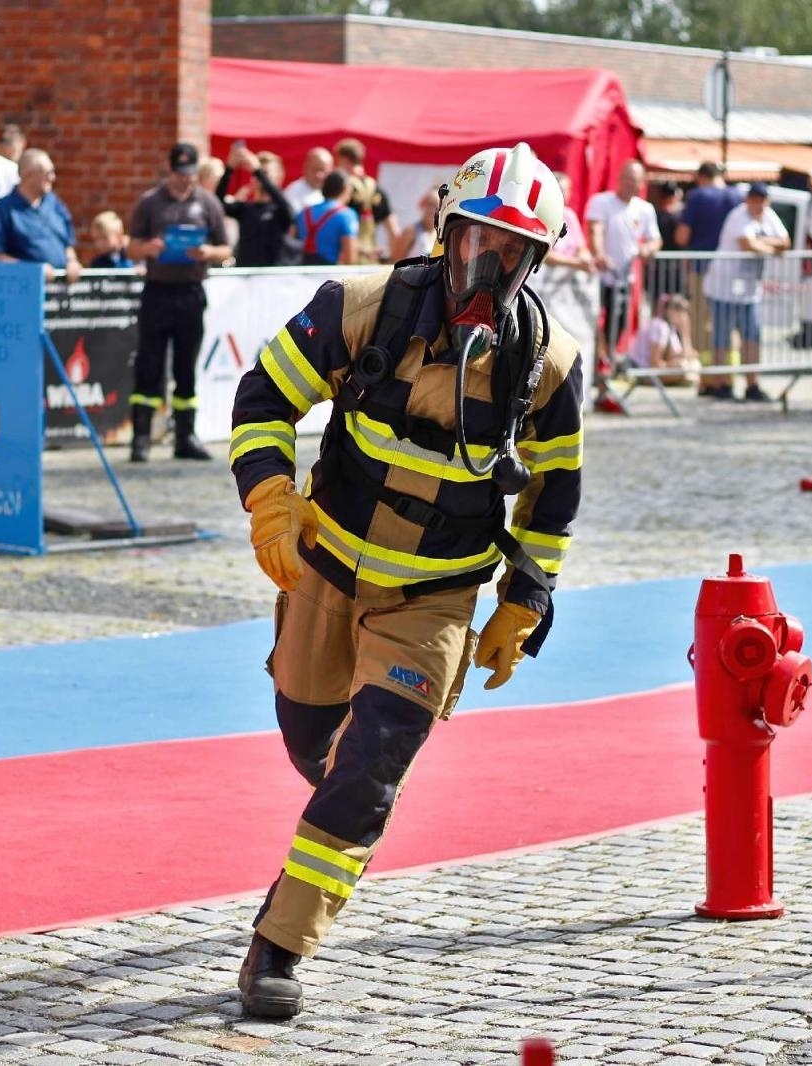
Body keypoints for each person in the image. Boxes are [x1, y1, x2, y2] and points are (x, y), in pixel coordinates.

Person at [227, 141, 582, 1020]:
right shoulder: (360, 306)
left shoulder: (549, 366)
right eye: (476, 243)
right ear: (445, 231)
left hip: (434, 600)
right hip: (328, 573)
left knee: (373, 766)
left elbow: (555, 493)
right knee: (315, 741)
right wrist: (271, 499)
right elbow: (263, 398)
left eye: (511, 255)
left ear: (534, 262)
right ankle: (340, 805)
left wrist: (524, 601)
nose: (487, 268)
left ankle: (278, 947)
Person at [126, 142, 232, 462]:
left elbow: (225, 248)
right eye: (179, 174)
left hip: (191, 291)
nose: (185, 180)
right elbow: (131, 248)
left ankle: (185, 436)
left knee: (186, 366)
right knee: (149, 365)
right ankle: (141, 437)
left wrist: (207, 254)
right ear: (169, 170)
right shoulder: (150, 203)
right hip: (158, 291)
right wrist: (149, 249)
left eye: (189, 174)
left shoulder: (208, 203)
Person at [703, 182, 790, 403]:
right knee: (722, 337)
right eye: (754, 199)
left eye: (762, 200)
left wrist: (763, 244)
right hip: (725, 287)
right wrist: (772, 248)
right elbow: (746, 244)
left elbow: (785, 242)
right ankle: (720, 383)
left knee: (752, 336)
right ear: (747, 199)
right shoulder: (738, 216)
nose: (758, 204)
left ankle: (752, 384)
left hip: (750, 289)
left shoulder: (768, 215)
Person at [585, 160, 661, 410]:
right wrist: (599, 253)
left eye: (635, 181)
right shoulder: (602, 202)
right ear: (619, 178)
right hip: (599, 277)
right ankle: (595, 371)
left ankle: (605, 376)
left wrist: (646, 249)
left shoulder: (645, 209)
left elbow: (655, 240)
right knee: (594, 325)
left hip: (624, 279)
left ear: (641, 183)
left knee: (615, 330)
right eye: (627, 179)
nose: (630, 185)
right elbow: (595, 229)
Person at [677, 163, 742, 398]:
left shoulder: (697, 196)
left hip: (702, 268)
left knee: (703, 325)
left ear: (700, 177)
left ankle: (709, 380)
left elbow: (682, 235)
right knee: (729, 324)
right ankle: (730, 377)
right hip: (732, 269)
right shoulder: (738, 196)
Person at [0, 149, 84, 283]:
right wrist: (33, 270)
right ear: (28, 175)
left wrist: (72, 261)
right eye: (47, 173)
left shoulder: (54, 203)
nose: (52, 178)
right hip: (25, 290)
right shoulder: (3, 209)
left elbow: (67, 242)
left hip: (61, 290)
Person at [218, 147, 293, 268]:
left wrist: (258, 171)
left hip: (273, 278)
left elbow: (288, 211)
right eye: (256, 175)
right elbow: (217, 205)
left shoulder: (280, 209)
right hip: (246, 277)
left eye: (265, 174)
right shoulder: (246, 209)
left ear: (280, 176)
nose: (260, 179)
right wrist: (229, 169)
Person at [333, 138, 397, 263]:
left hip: (348, 259)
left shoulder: (342, 188)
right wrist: (392, 259)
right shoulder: (377, 188)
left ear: (343, 159)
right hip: (372, 259)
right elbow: (393, 230)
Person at [628, 291, 697, 385]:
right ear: (668, 310)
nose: (683, 315)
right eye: (679, 309)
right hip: (642, 370)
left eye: (685, 311)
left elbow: (686, 356)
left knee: (694, 365)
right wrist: (675, 365)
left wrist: (685, 333)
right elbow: (654, 363)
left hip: (655, 370)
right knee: (684, 368)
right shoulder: (660, 326)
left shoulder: (671, 329)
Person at [292, 171, 357, 267]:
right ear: (345, 189)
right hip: (328, 274)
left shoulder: (304, 212)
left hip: (300, 271)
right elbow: (350, 258)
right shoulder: (347, 215)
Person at [542, 171, 593, 273]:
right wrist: (576, 263)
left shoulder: (570, 215)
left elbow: (581, 247)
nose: (565, 194)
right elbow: (544, 255)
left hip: (568, 278)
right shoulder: (543, 213)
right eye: (561, 190)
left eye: (567, 190)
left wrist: (585, 258)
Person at [388, 186, 439, 262]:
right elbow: (395, 261)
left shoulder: (442, 232)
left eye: (435, 205)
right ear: (422, 205)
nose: (431, 209)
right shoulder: (411, 231)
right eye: (429, 204)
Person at [282, 146, 331, 218]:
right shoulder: (293, 192)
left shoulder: (335, 190)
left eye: (322, 170)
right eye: (315, 169)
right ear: (305, 168)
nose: (318, 175)